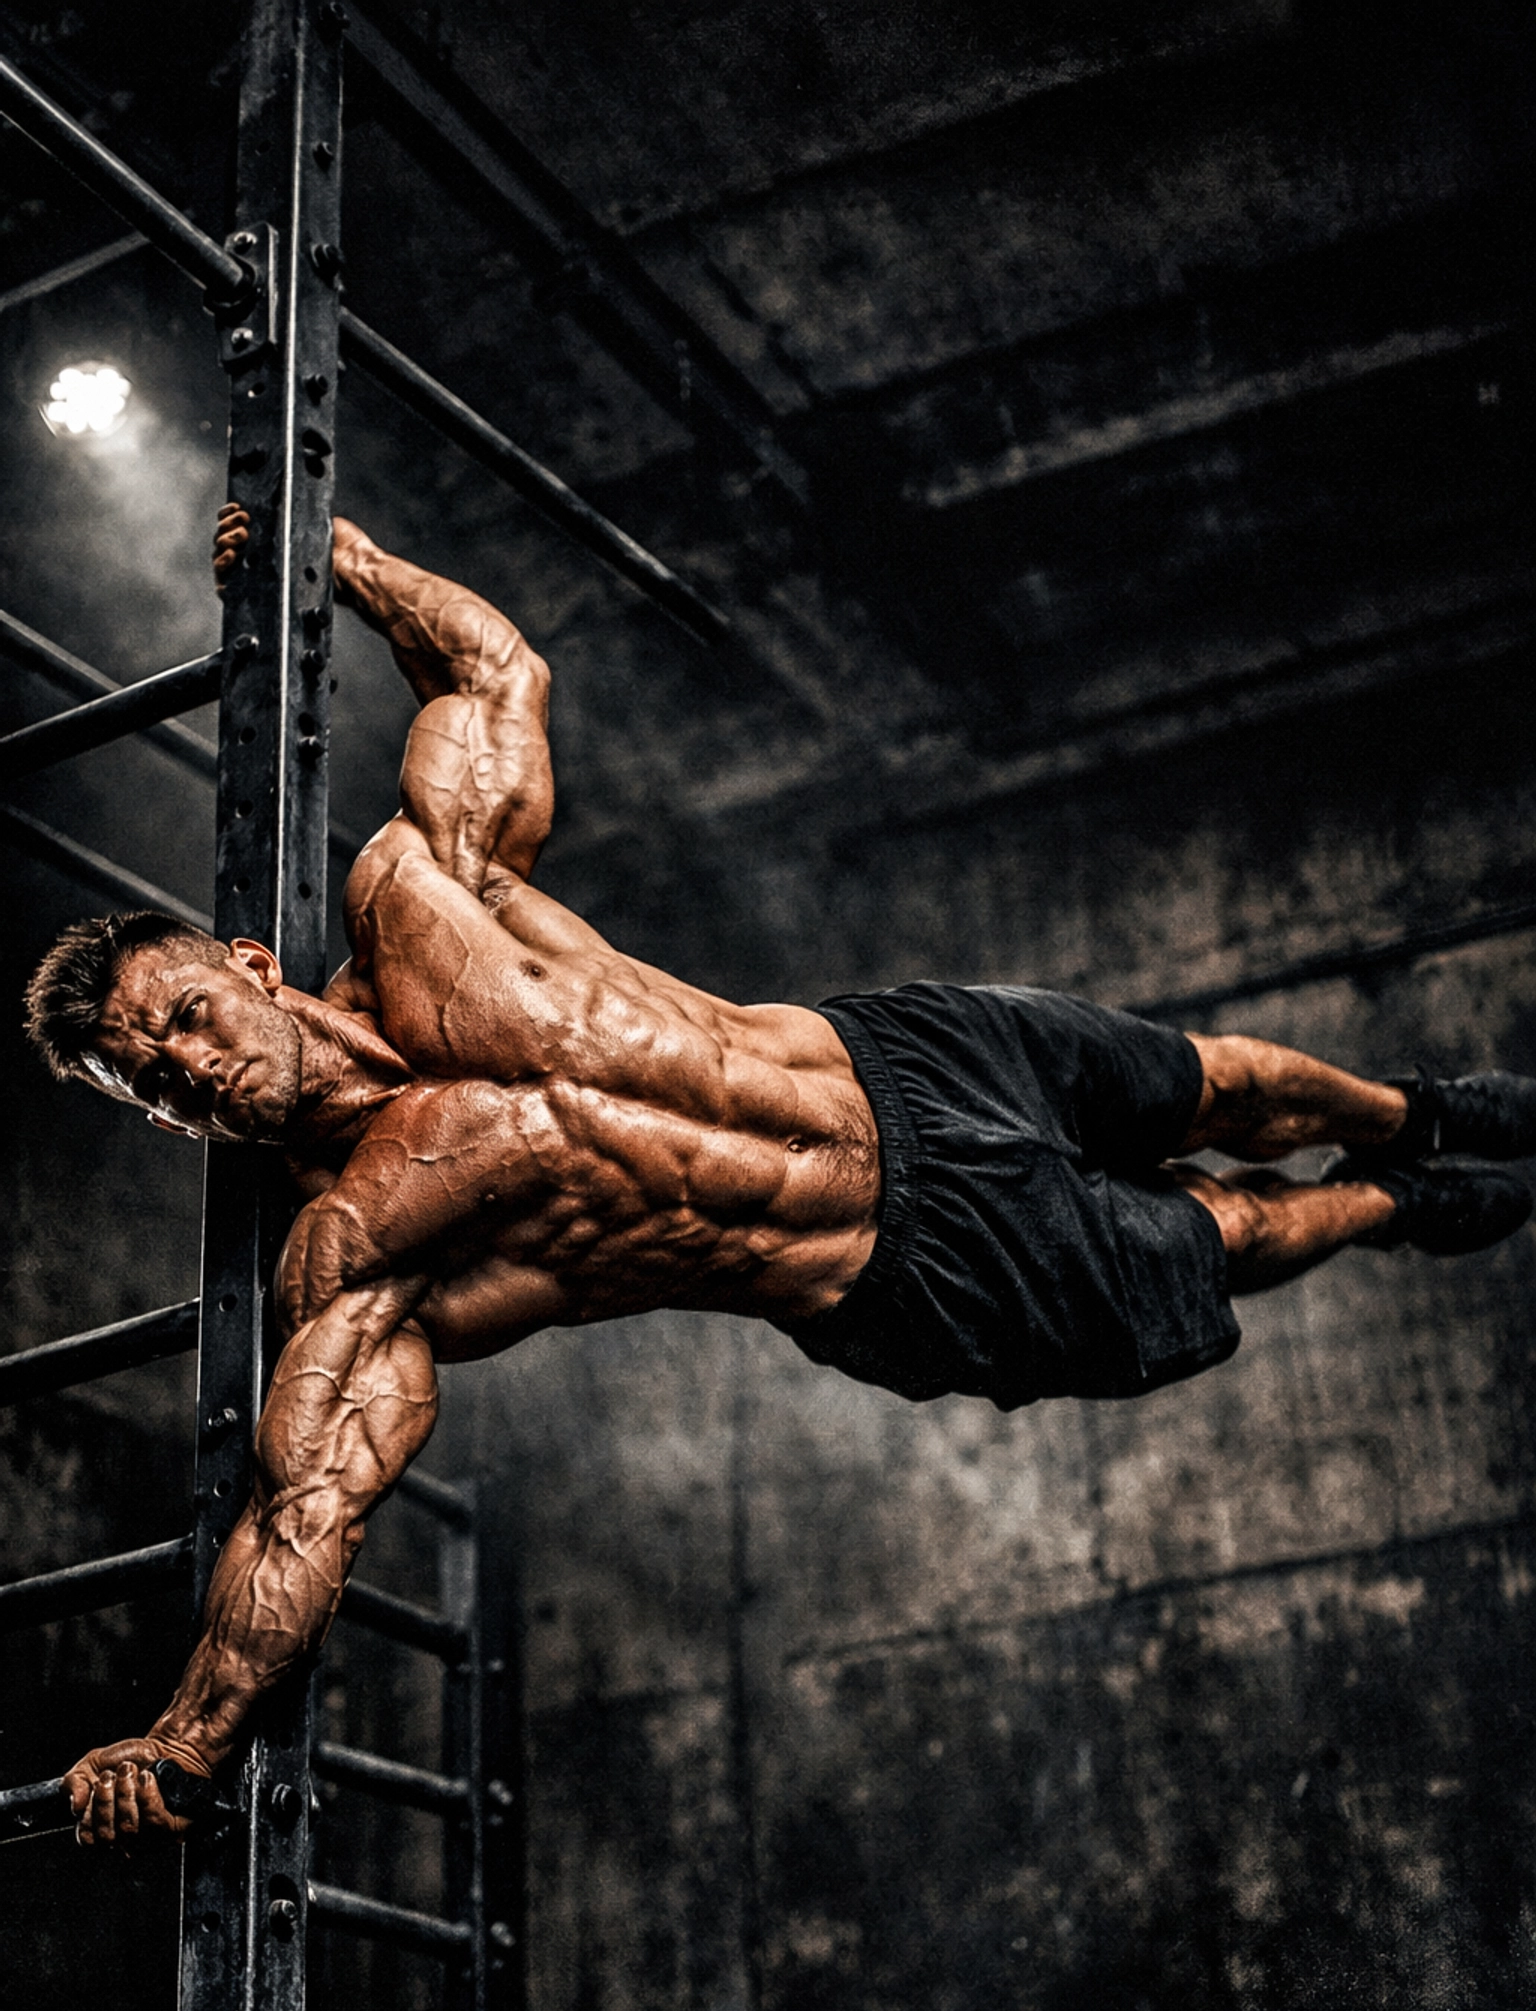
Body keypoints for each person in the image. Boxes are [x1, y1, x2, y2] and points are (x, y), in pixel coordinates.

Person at [27, 506, 1536, 1845]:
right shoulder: (354, 1248)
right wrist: (187, 1734)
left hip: (914, 1060)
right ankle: (1396, 1207)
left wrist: (332, 556)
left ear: (243, 965)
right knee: (1227, 1233)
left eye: (185, 1019)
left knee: (1221, 1081)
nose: (192, 1065)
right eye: (154, 1080)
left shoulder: (418, 890)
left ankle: (1408, 1112)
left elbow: (495, 678)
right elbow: (308, 1508)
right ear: (167, 1123)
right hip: (900, 1265)